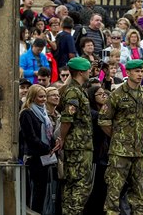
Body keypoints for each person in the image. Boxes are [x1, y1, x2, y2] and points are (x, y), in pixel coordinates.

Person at [98, 59, 143, 215]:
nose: (139, 74)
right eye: (136, 71)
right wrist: (117, 137)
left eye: (141, 71)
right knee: (114, 190)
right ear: (128, 73)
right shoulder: (117, 95)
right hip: (120, 151)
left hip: (139, 151)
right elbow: (103, 119)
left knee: (139, 192)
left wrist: (142, 141)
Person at [56, 57, 93, 215]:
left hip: (79, 144)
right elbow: (67, 118)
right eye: (88, 69)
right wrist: (62, 138)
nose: (90, 72)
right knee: (80, 185)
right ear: (80, 72)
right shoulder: (73, 91)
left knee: (72, 185)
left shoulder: (76, 89)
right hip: (78, 145)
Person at [19, 84, 58, 213]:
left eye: (45, 97)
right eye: (40, 97)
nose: (44, 100)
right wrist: (47, 148)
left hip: (45, 157)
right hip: (35, 157)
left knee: (42, 192)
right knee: (36, 192)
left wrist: (53, 145)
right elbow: (30, 137)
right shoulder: (27, 113)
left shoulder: (44, 114)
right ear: (33, 97)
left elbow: (49, 133)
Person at [84, 86, 111, 215]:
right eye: (99, 94)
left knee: (103, 192)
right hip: (95, 157)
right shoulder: (92, 113)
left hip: (104, 156)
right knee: (93, 191)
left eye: (104, 93)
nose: (103, 96)